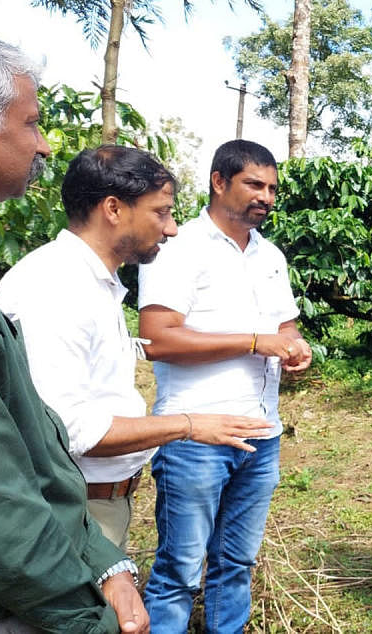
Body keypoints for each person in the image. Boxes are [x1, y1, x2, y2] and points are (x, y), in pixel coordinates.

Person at [0, 18, 146, 633]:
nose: (45, 144)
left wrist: (101, 559)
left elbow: (31, 446)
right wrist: (86, 618)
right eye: (30, 122)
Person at [0, 146, 274, 548]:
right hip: (68, 509)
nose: (171, 228)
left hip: (96, 503)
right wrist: (190, 425)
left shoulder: (93, 284)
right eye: (160, 212)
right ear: (113, 209)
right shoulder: (56, 287)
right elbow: (67, 429)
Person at [138, 140, 312, 633]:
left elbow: (286, 330)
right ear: (218, 181)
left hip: (262, 433)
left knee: (236, 564)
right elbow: (157, 339)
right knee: (180, 569)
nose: (267, 197)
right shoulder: (179, 248)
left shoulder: (270, 255)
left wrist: (297, 348)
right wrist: (255, 342)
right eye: (255, 184)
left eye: (272, 188)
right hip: (197, 434)